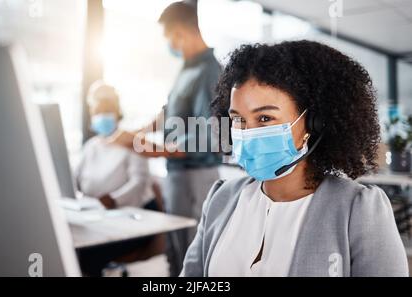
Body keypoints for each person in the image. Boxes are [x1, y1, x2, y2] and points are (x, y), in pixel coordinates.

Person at [181, 41, 409, 277]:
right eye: (238, 119)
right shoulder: (221, 198)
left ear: (312, 123)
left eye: (265, 118)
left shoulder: (359, 208)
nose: (247, 133)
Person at [110, 1, 222, 276]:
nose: (169, 45)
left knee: (192, 259)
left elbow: (206, 137)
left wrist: (143, 146)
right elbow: (167, 113)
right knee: (175, 256)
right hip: (178, 177)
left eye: (169, 37)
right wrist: (136, 134)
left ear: (182, 32)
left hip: (195, 178)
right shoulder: (187, 69)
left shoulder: (209, 73)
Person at [75, 81, 155, 210]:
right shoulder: (90, 146)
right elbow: (75, 178)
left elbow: (139, 182)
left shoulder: (131, 141)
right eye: (98, 111)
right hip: (94, 210)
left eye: (107, 110)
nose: (102, 115)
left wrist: (114, 200)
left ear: (117, 112)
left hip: (129, 211)